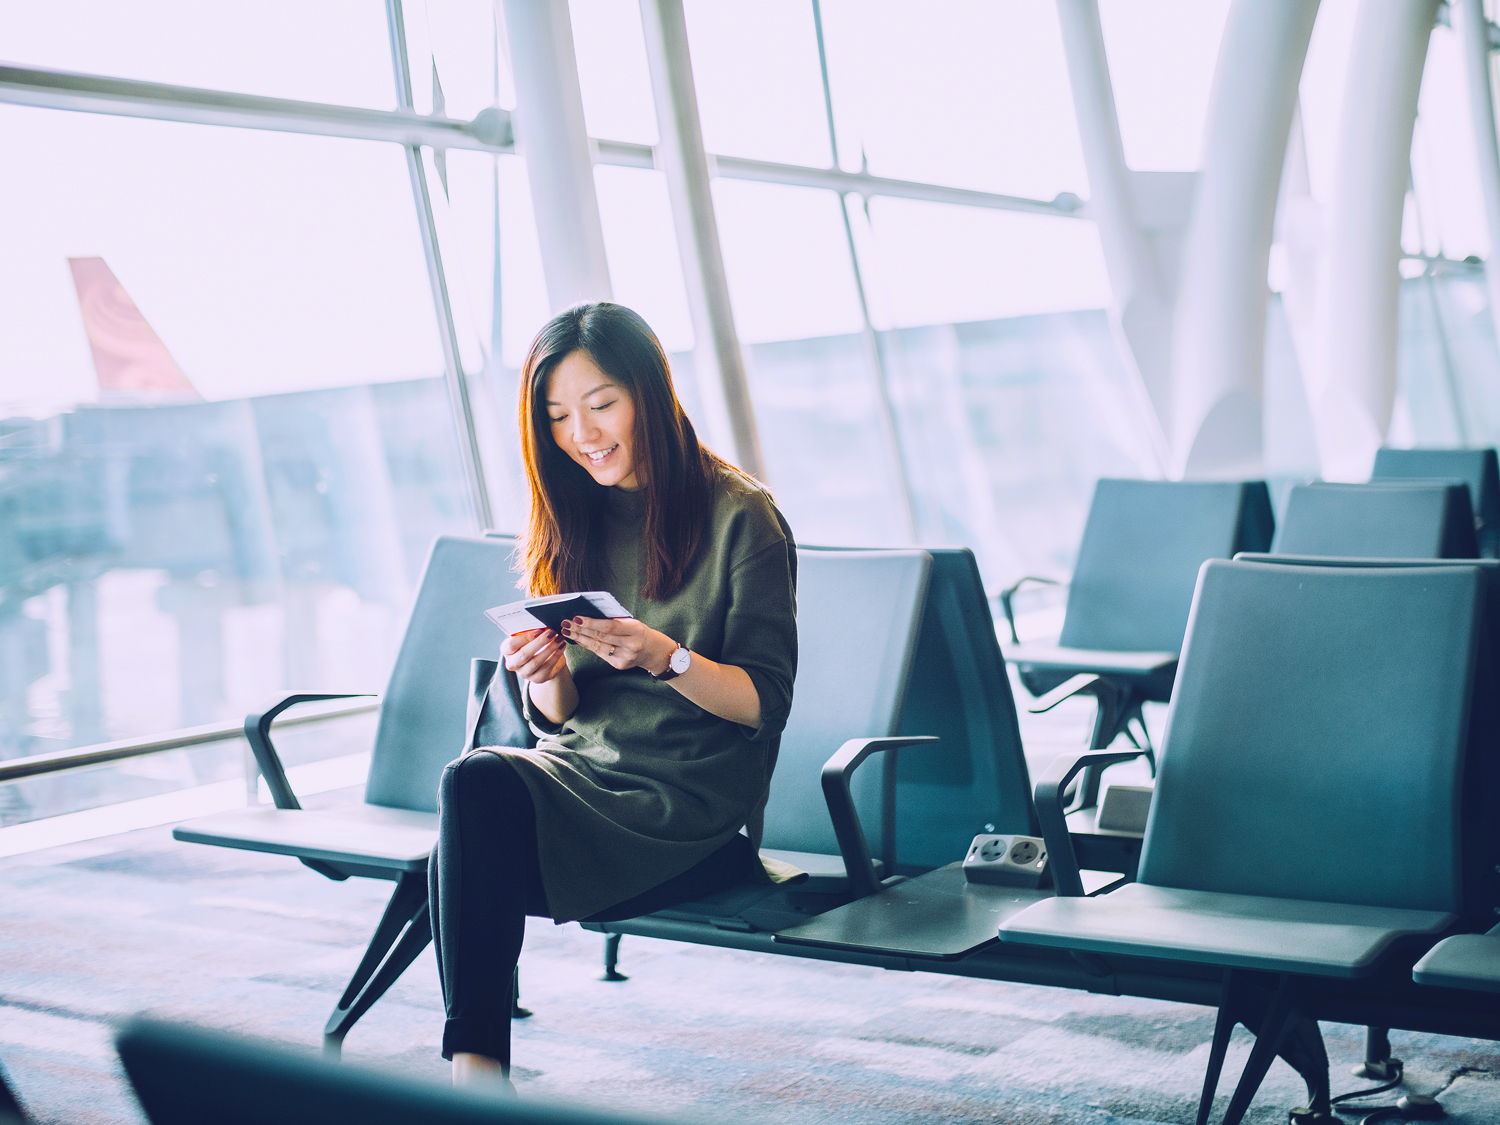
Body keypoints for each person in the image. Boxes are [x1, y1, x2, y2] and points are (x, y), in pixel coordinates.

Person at [428, 302, 800, 1089]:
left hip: (682, 809)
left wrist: (666, 657)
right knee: (475, 785)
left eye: (601, 405)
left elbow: (762, 704)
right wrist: (546, 670)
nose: (582, 434)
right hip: (581, 782)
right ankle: (477, 1075)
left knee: (467, 820)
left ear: (650, 394)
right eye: (558, 415)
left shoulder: (743, 516)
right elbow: (562, 718)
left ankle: (476, 1081)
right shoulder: (572, 510)